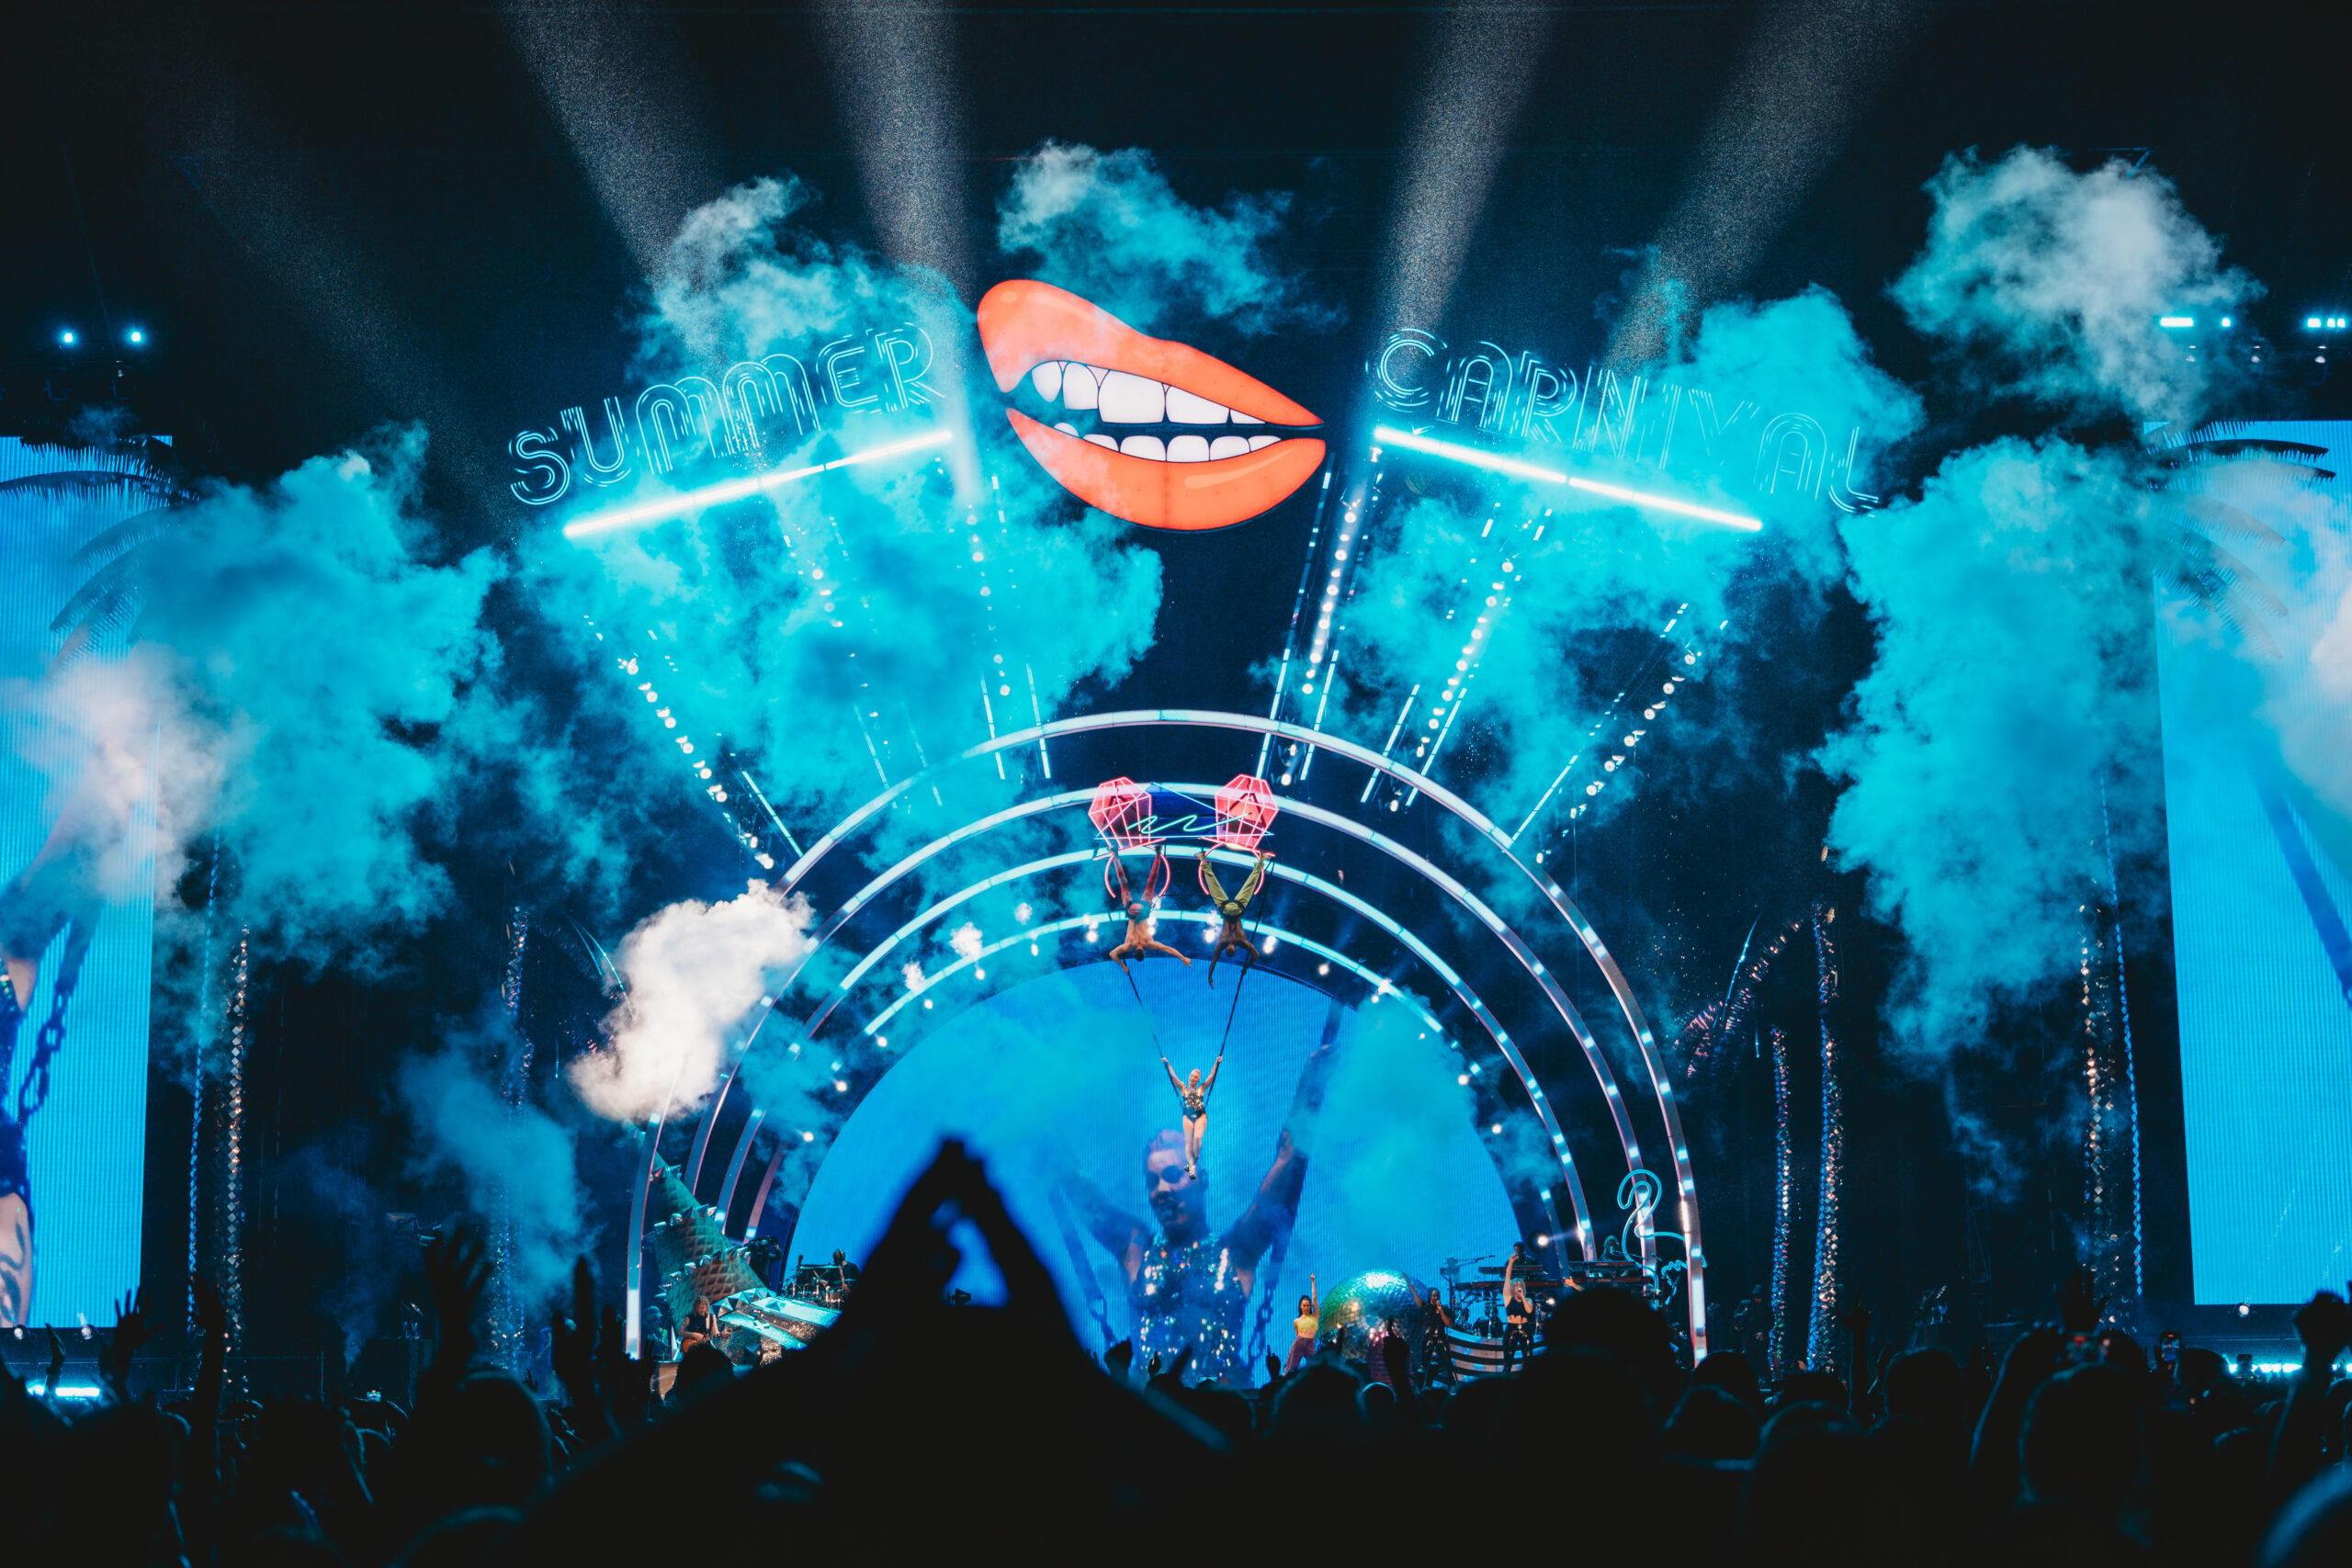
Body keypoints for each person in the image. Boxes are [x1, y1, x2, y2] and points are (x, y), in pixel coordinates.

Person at [1061, 1040, 1337, 1383]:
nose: (1162, 1189)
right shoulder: (1136, 1250)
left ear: (1200, 1179)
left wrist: (1311, 1086)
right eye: (1153, 1181)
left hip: (1222, 1409)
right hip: (1149, 1410)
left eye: (1173, 1174)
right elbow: (1080, 1191)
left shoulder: (1235, 1252)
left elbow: (1288, 1160)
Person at [1195, 849, 1272, 987]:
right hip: (1237, 908)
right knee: (1249, 885)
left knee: (1214, 885)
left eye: (1228, 952)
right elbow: (1256, 955)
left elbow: (1214, 960)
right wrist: (1246, 968)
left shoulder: (1222, 943)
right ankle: (1261, 860)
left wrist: (1210, 976)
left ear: (1226, 950)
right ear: (1235, 950)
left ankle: (1203, 860)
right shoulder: (1241, 942)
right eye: (1233, 952)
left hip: (1225, 908)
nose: (1230, 951)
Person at [1104, 853, 1190, 973]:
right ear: (1137, 952)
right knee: (1129, 883)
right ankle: (1118, 857)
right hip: (1136, 912)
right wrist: (1123, 966)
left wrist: (1183, 958)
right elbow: (1112, 954)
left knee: (1146, 883)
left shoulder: (1144, 944)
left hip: (1138, 912)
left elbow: (1168, 949)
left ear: (1143, 952)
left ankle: (1157, 856)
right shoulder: (1133, 945)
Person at [1162, 1053, 1220, 1177]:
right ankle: (1191, 1166)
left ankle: (1194, 1158)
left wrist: (1217, 1062)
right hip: (1187, 1114)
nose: (1193, 1078)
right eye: (1191, 1076)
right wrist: (1168, 1065)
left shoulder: (1202, 1088)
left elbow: (1212, 1075)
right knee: (1189, 1141)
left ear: (1198, 1080)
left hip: (1200, 1115)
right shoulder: (1183, 1088)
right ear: (1189, 1077)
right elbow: (1174, 1077)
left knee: (1197, 1138)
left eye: (1195, 1077)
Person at [1501, 1254, 1534, 1374]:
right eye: (1516, 1285)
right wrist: (1511, 1262)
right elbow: (1507, 1278)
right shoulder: (1508, 1298)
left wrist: (1523, 1297)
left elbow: (1529, 1311)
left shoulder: (1528, 1300)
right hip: (1511, 1329)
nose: (1518, 1287)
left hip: (1525, 1329)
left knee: (1528, 1359)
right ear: (1512, 1288)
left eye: (1521, 1285)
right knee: (1508, 1361)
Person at [1284, 1276, 1320, 1373]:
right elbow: (1297, 1335)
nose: (1306, 1307)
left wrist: (1313, 1281)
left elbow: (1314, 1298)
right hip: (1299, 1342)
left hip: (1310, 1343)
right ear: (1300, 1306)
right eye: (1304, 1305)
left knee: (1316, 1366)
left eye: (1308, 1305)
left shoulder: (1315, 1316)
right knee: (1291, 1366)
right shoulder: (1296, 1321)